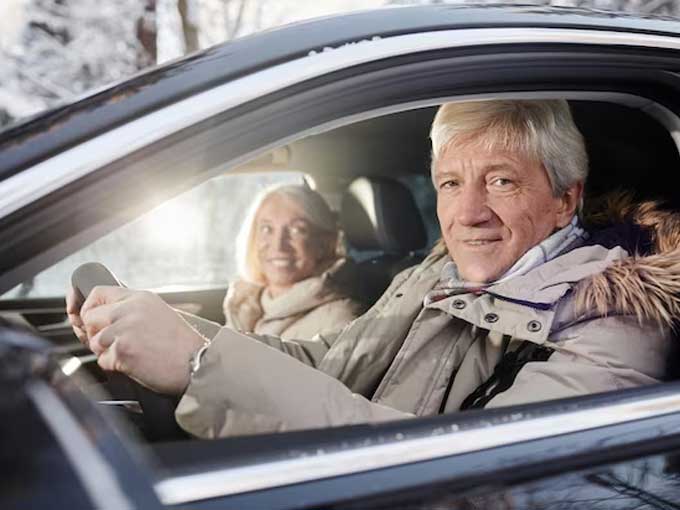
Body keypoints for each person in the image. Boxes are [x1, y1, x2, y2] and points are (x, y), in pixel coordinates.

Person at [68, 99, 678, 439]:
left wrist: (198, 366)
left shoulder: (617, 320)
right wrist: (176, 332)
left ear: (566, 200)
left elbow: (473, 481)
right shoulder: (435, 277)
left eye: (500, 181)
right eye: (450, 183)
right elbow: (325, 362)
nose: (468, 212)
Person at [222, 184, 361, 339]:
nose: (278, 245)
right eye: (267, 229)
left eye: (297, 230)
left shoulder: (338, 321)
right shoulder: (243, 304)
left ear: (324, 244)